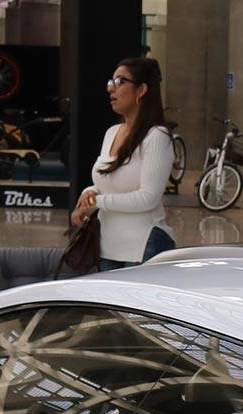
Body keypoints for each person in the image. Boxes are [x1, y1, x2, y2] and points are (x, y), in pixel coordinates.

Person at [71, 57, 175, 270]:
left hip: (144, 246)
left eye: (120, 82)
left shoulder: (157, 136)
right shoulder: (112, 133)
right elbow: (108, 181)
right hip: (107, 246)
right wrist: (90, 192)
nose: (112, 89)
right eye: (111, 82)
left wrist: (97, 202)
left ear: (141, 90)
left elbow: (149, 198)